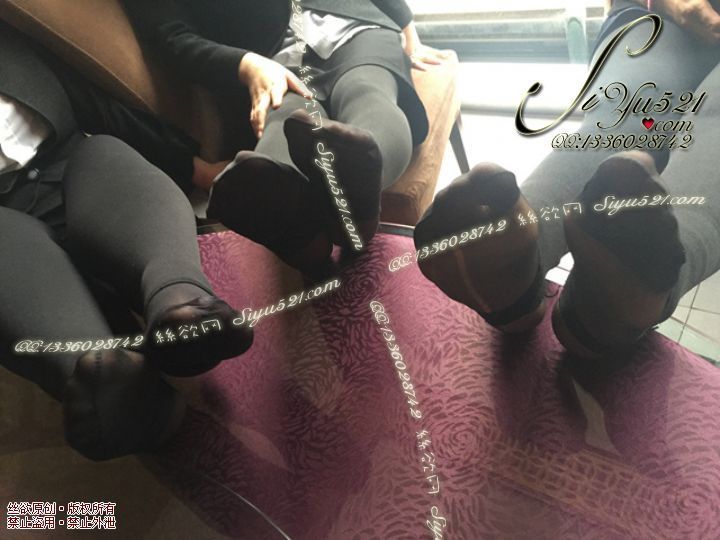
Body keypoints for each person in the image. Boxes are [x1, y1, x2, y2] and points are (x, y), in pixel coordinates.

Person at [0, 22, 254, 460]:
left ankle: (179, 301)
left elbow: (94, 104)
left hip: (74, 166)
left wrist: (197, 169)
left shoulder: (12, 36)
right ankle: (110, 388)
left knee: (105, 153)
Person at [414, 0, 720, 359]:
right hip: (662, 14)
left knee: (627, 122)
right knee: (664, 126)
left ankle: (514, 266)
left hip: (660, 17)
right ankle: (631, 296)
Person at [123, 0, 450, 272]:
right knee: (285, 120)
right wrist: (246, 64)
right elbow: (171, 37)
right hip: (268, 55)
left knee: (366, 91)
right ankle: (296, 223)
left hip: (353, 24)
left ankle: (353, 195)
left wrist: (408, 29)